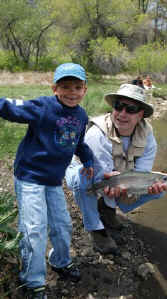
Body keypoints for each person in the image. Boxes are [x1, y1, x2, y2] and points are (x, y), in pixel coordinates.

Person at [0, 63, 94, 299]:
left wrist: (89, 162)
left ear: (84, 90)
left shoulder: (81, 116)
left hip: (53, 180)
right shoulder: (43, 106)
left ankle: (60, 262)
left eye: (76, 87)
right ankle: (32, 281)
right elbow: (11, 108)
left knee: (63, 225)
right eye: (65, 87)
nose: (71, 92)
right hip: (30, 176)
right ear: (54, 88)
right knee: (34, 229)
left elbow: (79, 144)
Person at [65, 83, 167, 255]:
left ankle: (107, 210)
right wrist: (112, 186)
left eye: (131, 109)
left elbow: (141, 174)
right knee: (84, 178)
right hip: (86, 170)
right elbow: (102, 176)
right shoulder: (97, 134)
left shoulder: (147, 136)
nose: (122, 114)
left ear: (141, 114)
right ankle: (96, 229)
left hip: (119, 176)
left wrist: (147, 185)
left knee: (158, 189)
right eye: (118, 106)